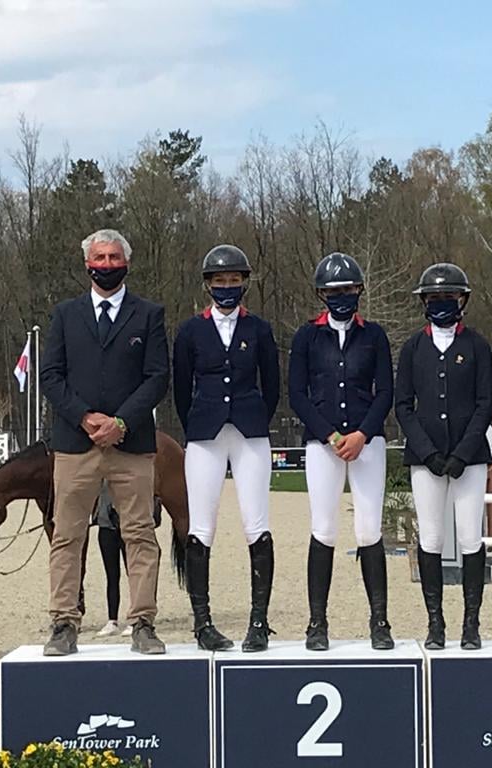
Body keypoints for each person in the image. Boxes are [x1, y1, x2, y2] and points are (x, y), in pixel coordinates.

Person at [40, 228, 169, 656]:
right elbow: (51, 377)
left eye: (115, 257)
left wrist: (121, 422)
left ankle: (143, 623)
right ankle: (63, 622)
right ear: (87, 264)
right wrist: (84, 416)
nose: (107, 264)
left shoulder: (149, 314)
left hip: (130, 444)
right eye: (100, 257)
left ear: (126, 262)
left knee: (140, 533)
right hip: (75, 443)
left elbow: (157, 377)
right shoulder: (64, 314)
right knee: (67, 535)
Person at [173, 244, 280, 652]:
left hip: (249, 430)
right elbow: (182, 388)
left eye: (234, 281)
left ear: (244, 284)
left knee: (257, 523)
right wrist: (198, 422)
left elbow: (271, 385)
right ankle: (203, 623)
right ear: (208, 286)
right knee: (202, 527)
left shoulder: (259, 330)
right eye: (220, 282)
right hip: (205, 432)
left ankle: (258, 621)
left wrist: (255, 417)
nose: (227, 288)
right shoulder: (190, 331)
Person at [288, 252, 394, 651]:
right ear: (322, 294)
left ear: (359, 291)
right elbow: (297, 394)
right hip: (322, 443)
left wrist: (363, 434)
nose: (341, 297)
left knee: (369, 529)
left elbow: (385, 391)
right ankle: (317, 622)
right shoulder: (307, 337)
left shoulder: (375, 336)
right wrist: (330, 435)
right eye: (334, 291)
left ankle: (379, 621)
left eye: (348, 289)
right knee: (324, 528)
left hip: (367, 442)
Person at [394, 263, 492, 651]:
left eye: (448, 298)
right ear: (424, 302)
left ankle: (471, 623)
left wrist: (463, 452)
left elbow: (486, 403)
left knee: (471, 537)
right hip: (426, 458)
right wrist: (429, 452)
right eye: (434, 299)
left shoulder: (477, 346)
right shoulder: (413, 348)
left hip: (468, 457)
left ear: (462, 300)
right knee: (431, 538)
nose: (441, 304)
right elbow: (403, 406)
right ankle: (435, 622)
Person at [94, 481, 128, 637]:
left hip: (127, 525)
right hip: (106, 526)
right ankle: (112, 619)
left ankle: (138, 618)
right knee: (112, 576)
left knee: (134, 573)